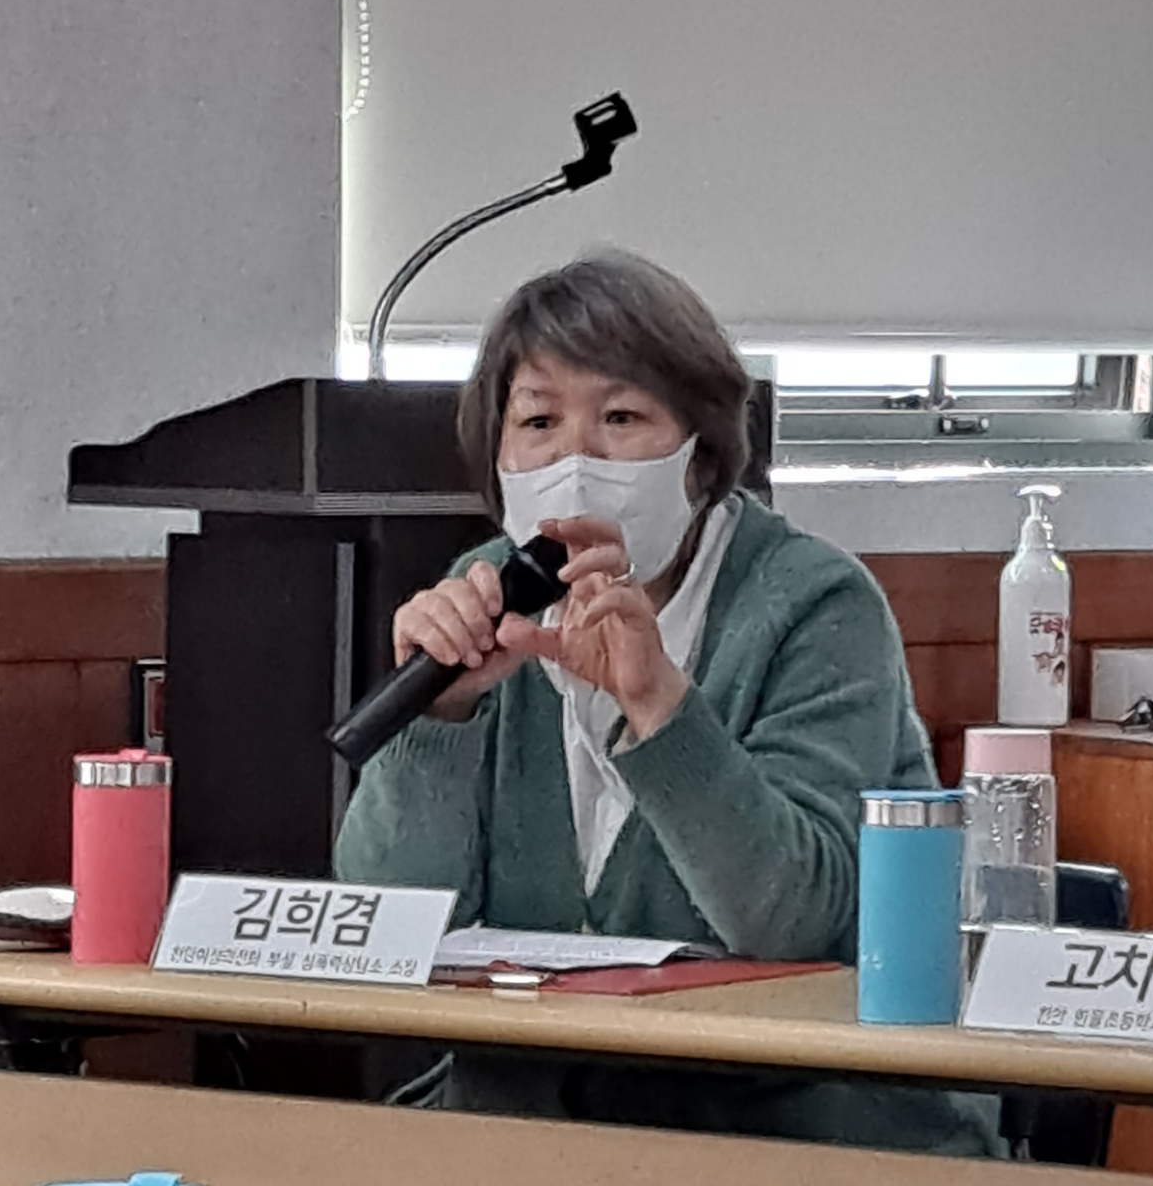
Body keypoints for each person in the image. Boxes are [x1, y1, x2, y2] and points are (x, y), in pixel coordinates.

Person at [336, 251, 1001, 1155]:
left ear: (702, 452)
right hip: (529, 1128)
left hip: (790, 1130)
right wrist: (438, 724)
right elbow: (383, 928)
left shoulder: (814, 605)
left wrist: (658, 707)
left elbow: (794, 921)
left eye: (621, 417)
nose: (574, 459)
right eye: (538, 421)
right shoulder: (486, 595)